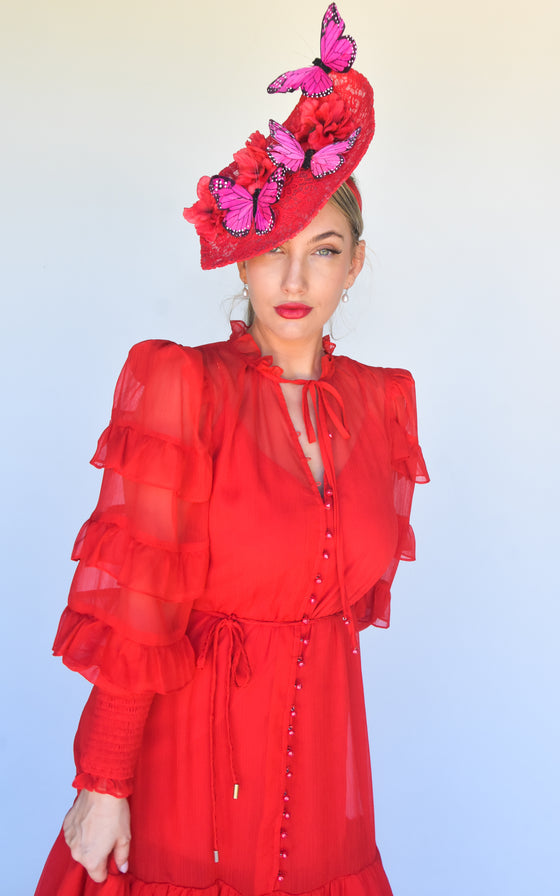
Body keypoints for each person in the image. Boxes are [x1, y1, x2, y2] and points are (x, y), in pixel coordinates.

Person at [35, 5, 428, 895]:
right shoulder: (185, 388)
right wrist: (102, 782)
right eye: (273, 250)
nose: (294, 279)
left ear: (355, 265)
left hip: (319, 763)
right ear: (242, 261)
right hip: (186, 757)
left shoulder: (382, 404)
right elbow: (137, 608)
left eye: (323, 251)